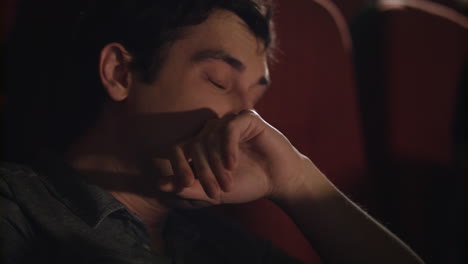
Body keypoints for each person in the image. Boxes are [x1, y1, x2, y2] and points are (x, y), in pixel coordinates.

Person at [1, 0, 424, 263]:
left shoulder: (216, 244)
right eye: (220, 81)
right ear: (120, 72)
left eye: (255, 98)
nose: (246, 119)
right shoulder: (20, 210)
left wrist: (297, 179)